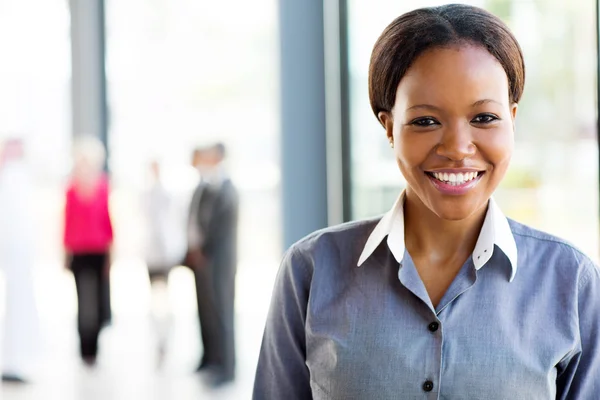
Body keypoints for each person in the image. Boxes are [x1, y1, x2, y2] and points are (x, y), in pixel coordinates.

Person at [253, 4, 600, 399]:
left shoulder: (570, 282)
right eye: (425, 121)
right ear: (388, 127)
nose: (456, 149)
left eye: (484, 118)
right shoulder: (311, 271)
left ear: (513, 119)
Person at [186, 143, 239, 387]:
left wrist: (204, 248)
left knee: (222, 312)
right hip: (205, 261)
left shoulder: (228, 189)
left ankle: (226, 367)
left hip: (221, 261)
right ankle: (211, 359)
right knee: (207, 311)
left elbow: (220, 228)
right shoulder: (206, 187)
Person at [63, 136, 113, 366]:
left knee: (99, 300)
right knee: (83, 300)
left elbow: (107, 219)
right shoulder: (71, 188)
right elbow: (67, 221)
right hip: (79, 252)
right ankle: (84, 347)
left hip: (98, 250)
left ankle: (96, 346)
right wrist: (65, 252)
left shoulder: (103, 186)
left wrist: (112, 250)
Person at [0, 138, 40, 383]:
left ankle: (17, 360)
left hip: (19, 253)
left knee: (19, 304)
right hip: (14, 252)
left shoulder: (17, 177)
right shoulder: (12, 177)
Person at [140, 160, 182, 364]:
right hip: (152, 253)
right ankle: (158, 336)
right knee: (155, 298)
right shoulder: (146, 195)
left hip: (165, 254)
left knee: (164, 298)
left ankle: (165, 337)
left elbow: (171, 224)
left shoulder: (167, 195)